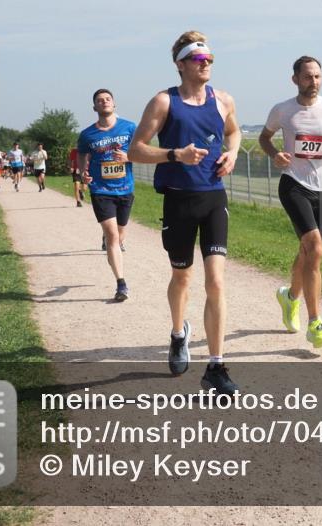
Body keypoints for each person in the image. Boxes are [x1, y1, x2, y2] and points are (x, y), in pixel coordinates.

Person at [129, 31, 240, 394]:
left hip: (213, 199)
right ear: (180, 64)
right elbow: (136, 150)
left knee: (216, 282)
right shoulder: (164, 102)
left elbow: (234, 132)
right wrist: (175, 155)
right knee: (182, 277)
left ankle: (216, 367)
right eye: (198, 59)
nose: (206, 64)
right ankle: (179, 334)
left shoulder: (223, 100)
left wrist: (232, 153)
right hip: (178, 202)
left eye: (209, 59)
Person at [259, 56, 322, 349]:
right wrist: (275, 154)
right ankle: (315, 324)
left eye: (318, 76)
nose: (314, 82)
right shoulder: (283, 110)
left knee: (308, 252)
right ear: (295, 79)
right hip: (294, 184)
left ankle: (289, 297)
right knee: (315, 248)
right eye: (308, 76)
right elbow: (264, 137)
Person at [78, 89, 135, 301]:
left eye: (108, 99)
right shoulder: (87, 134)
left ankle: (110, 241)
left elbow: (141, 150)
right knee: (113, 236)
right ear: (95, 107)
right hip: (101, 190)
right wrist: (83, 173)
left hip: (125, 188)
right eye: (100, 100)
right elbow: (82, 154)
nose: (104, 102)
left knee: (119, 236)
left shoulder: (129, 127)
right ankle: (121, 284)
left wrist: (128, 156)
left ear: (114, 104)